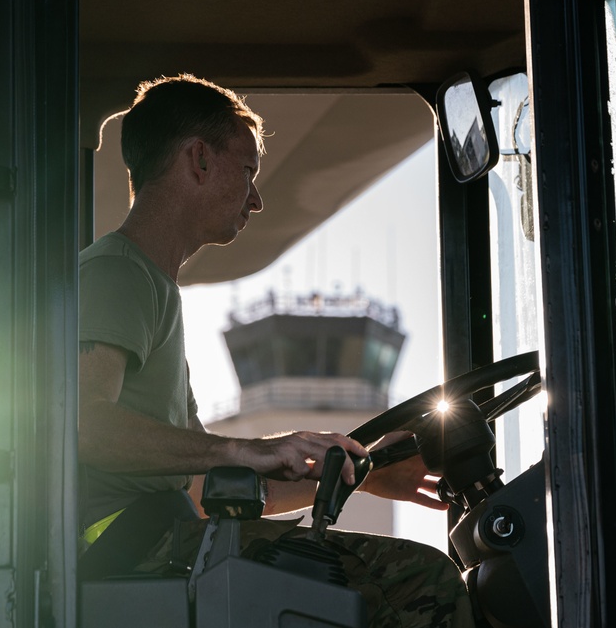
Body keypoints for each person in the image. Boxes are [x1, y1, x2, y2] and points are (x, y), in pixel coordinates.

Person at [78, 73, 475, 627]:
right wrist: (243, 449)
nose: (257, 199)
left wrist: (363, 475)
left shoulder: (151, 287)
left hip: (162, 537)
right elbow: (84, 427)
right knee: (421, 580)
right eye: (247, 172)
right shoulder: (117, 274)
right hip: (133, 548)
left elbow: (199, 488)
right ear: (199, 159)